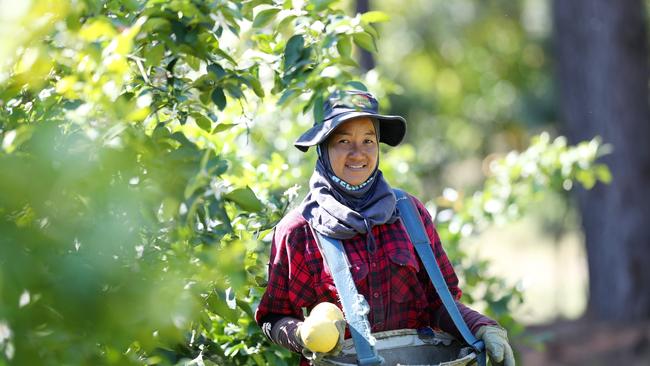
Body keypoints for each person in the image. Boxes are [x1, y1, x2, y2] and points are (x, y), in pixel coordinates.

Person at [255, 90, 515, 366]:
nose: (358, 153)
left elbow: (439, 304)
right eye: (344, 141)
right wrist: (302, 334)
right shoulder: (298, 231)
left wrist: (482, 327)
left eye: (368, 140)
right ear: (323, 147)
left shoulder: (410, 213)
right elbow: (272, 318)